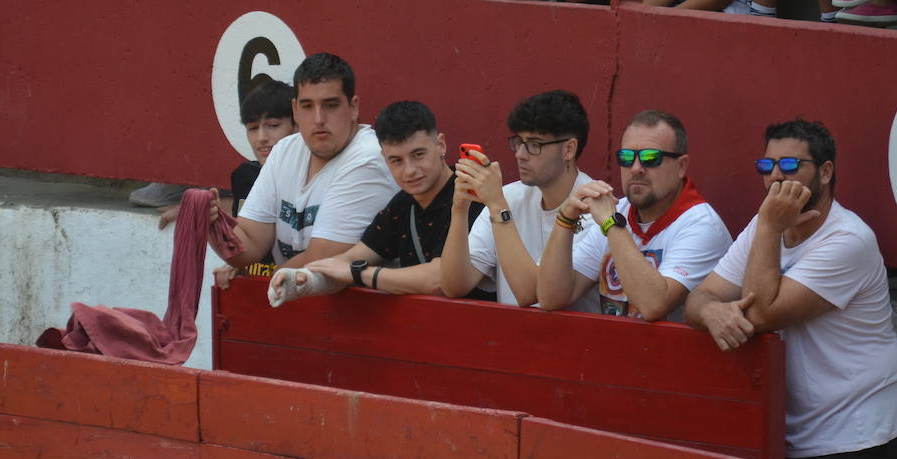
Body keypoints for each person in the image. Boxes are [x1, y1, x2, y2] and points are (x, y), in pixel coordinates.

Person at [685, 118, 897, 459]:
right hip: (793, 433)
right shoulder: (765, 225)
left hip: (860, 433)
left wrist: (769, 226)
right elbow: (698, 298)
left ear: (825, 172)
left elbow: (761, 314)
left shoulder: (848, 239)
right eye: (767, 165)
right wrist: (712, 312)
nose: (776, 176)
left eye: (791, 165)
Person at [209, 53, 398, 274]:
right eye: (307, 106)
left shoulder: (369, 158)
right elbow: (248, 244)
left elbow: (320, 263)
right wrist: (212, 223)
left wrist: (261, 287)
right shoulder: (284, 150)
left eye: (331, 105)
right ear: (295, 110)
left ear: (353, 107)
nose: (318, 119)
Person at [276, 101, 486, 299]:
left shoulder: (472, 196)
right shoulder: (402, 204)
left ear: (440, 145)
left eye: (418, 155)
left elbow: (441, 279)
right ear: (384, 158)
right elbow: (350, 259)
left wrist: (360, 273)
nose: (409, 170)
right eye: (396, 160)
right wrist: (303, 278)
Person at [536, 110, 731, 321]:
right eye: (627, 158)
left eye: (650, 158)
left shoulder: (700, 225)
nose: (636, 168)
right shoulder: (619, 210)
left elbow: (654, 305)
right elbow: (550, 298)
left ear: (681, 166)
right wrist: (565, 218)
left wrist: (611, 224)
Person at [439, 89, 596, 309]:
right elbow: (454, 286)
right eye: (519, 141)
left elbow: (532, 294)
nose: (520, 154)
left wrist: (497, 206)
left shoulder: (594, 208)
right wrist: (459, 208)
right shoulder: (509, 197)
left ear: (569, 149)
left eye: (534, 144)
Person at [158, 81, 295, 233]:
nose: (261, 137)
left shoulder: (312, 177)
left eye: (274, 125)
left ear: (297, 126)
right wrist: (200, 208)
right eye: (253, 128)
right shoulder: (246, 176)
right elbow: (245, 210)